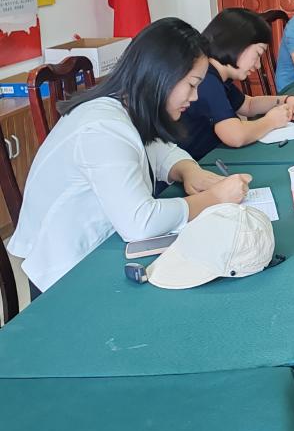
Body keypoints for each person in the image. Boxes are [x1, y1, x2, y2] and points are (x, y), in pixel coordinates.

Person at [8, 18, 253, 295]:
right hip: (66, 274)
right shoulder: (103, 128)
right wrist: (216, 197)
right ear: (162, 76)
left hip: (102, 250)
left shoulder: (126, 106)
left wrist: (188, 170)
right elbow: (141, 222)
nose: (195, 97)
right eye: (192, 85)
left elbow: (159, 149)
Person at [178, 8, 294, 161]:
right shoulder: (207, 79)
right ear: (236, 44)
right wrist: (271, 121)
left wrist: (285, 99)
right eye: (258, 54)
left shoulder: (217, 75)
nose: (258, 65)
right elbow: (235, 136)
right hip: (194, 164)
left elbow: (248, 105)